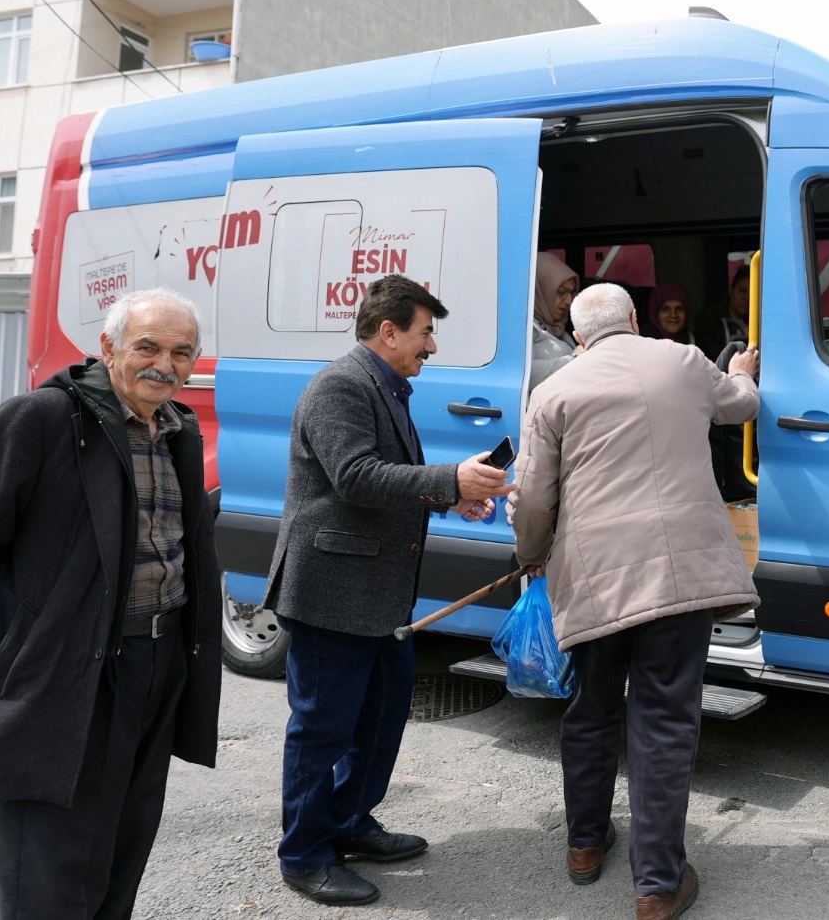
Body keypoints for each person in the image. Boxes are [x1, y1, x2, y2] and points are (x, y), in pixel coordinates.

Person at [0, 287, 222, 919]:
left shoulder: (177, 430)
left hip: (156, 665)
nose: (165, 364)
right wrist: (19, 641)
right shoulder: (43, 420)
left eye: (182, 352)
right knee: (47, 877)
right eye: (147, 347)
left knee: (118, 855)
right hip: (65, 674)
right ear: (108, 347)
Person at [509, 283, 761, 919]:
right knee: (664, 722)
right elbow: (741, 406)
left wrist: (530, 555)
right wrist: (738, 369)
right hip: (680, 582)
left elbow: (534, 501)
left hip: (594, 580)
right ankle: (657, 885)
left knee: (591, 711)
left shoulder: (553, 392)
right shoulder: (681, 360)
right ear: (637, 320)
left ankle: (585, 846)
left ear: (576, 337)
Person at [263, 274, 512, 906]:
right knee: (323, 728)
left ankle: (348, 822)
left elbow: (389, 482)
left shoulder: (385, 386)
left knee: (379, 718)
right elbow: (356, 477)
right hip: (332, 594)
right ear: (389, 331)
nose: (432, 345)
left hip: (374, 594)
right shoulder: (342, 385)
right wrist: (450, 480)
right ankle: (305, 853)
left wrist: (454, 498)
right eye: (426, 332)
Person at [532, 251, 581, 391]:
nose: (569, 301)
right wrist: (576, 361)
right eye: (561, 292)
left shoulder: (558, 328)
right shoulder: (524, 328)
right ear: (541, 290)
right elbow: (523, 373)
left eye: (571, 293)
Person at [694, 264, 751, 360]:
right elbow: (707, 354)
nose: (747, 298)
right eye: (742, 291)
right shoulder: (708, 317)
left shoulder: (759, 322)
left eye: (752, 293)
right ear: (731, 291)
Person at [647, 282, 699, 347]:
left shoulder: (696, 342)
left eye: (679, 309)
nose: (673, 315)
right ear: (655, 314)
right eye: (665, 309)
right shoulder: (643, 344)